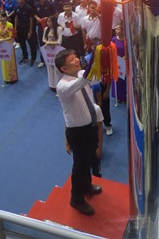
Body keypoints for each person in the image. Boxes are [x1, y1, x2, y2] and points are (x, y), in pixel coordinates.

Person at [55, 49, 103, 216]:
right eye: (71, 59)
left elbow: (95, 77)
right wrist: (96, 55)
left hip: (89, 127)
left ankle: (87, 186)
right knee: (80, 165)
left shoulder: (81, 74)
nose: (76, 60)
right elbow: (84, 80)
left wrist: (101, 58)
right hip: (77, 132)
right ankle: (76, 198)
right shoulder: (63, 86)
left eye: (75, 57)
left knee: (89, 159)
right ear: (63, 68)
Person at [0, 11, 18, 84]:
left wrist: (1, 40)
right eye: (0, 17)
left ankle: (13, 77)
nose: (2, 19)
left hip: (8, 44)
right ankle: (6, 78)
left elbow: (11, 36)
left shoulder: (10, 25)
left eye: (3, 17)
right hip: (1, 45)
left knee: (10, 61)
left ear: (6, 17)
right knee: (3, 62)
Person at [42, 16, 62, 91]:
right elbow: (43, 39)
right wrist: (48, 43)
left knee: (56, 67)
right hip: (49, 50)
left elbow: (59, 42)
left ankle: (58, 84)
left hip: (57, 50)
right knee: (49, 67)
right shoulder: (46, 29)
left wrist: (48, 43)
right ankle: (52, 84)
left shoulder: (59, 29)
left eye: (50, 21)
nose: (48, 23)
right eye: (47, 22)